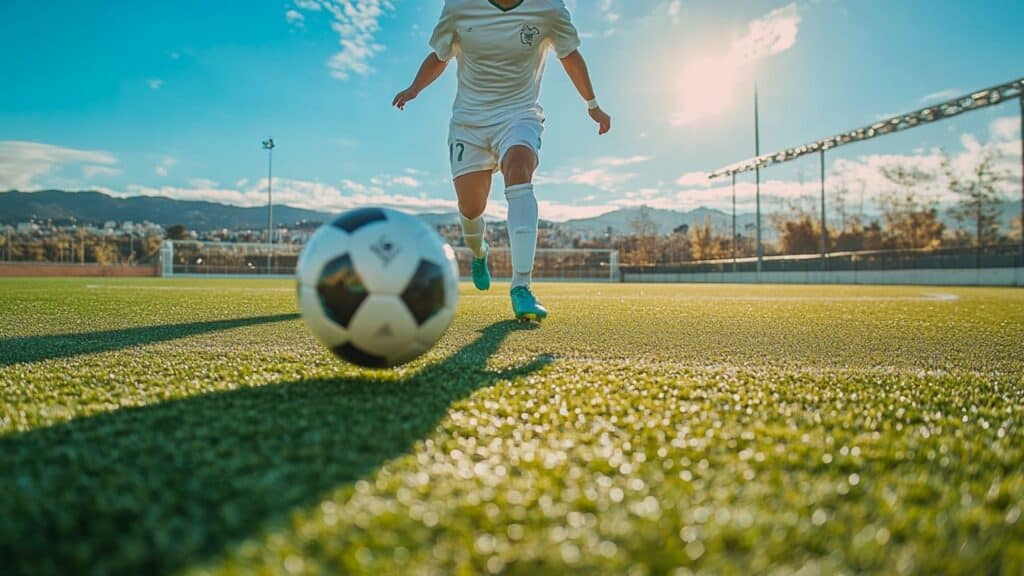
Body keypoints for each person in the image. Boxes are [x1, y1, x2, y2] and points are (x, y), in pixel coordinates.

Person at [393, 0, 611, 321]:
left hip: (519, 114)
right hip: (469, 122)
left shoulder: (548, 7)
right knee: (470, 208)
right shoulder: (459, 6)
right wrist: (414, 88)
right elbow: (440, 56)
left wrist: (592, 104)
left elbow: (569, 54)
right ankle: (480, 252)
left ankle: (522, 287)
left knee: (520, 170)